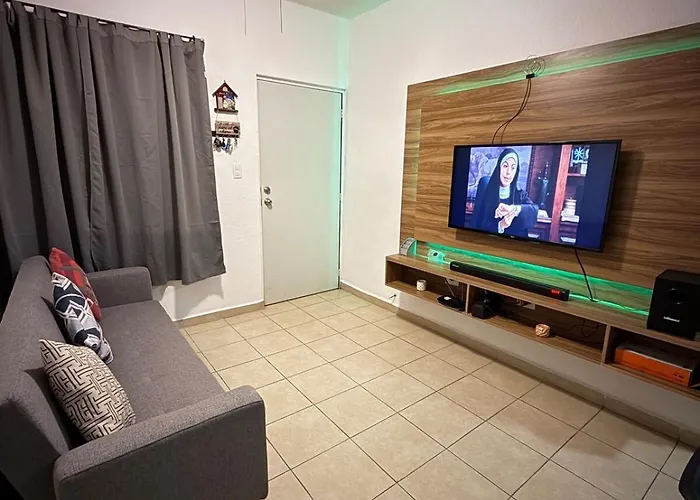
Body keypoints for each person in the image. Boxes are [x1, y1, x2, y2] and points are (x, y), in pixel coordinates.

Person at [471, 148, 537, 237]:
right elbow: (478, 225)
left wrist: (513, 209)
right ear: (499, 167)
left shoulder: (520, 195)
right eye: (505, 166)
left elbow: (534, 210)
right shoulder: (486, 190)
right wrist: (501, 226)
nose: (508, 172)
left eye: (513, 168)